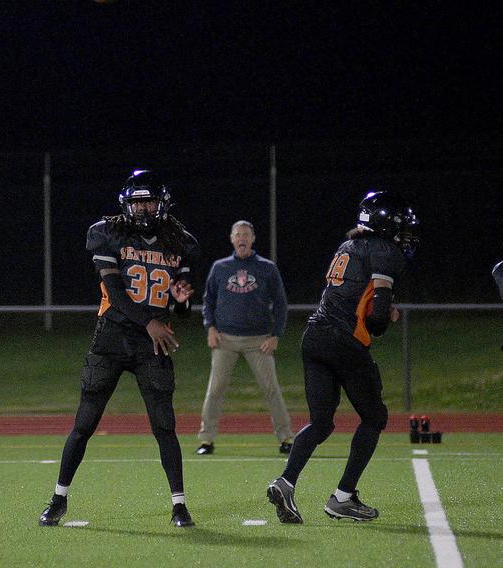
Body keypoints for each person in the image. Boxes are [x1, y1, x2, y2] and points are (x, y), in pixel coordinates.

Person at [37, 170, 201, 528]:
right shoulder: (108, 233)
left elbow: (182, 305)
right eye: (137, 202)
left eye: (149, 201)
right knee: (84, 424)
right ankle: (58, 499)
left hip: (152, 345)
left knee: (164, 426)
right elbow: (115, 294)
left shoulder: (179, 241)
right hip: (112, 338)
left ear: (162, 203)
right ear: (126, 204)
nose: (143, 210)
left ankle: (179, 505)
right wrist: (150, 323)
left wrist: (182, 302)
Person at [267, 190, 418, 524]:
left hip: (314, 336)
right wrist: (385, 317)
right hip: (342, 340)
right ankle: (343, 497)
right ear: (385, 225)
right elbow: (376, 317)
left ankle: (286, 481)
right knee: (375, 416)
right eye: (402, 228)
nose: (405, 236)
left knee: (320, 423)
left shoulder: (347, 246)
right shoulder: (384, 250)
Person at [196, 220, 293, 456]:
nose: (242, 238)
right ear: (231, 238)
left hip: (257, 340)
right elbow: (208, 301)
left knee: (271, 388)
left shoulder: (266, 267)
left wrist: (276, 335)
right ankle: (206, 440)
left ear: (253, 239)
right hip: (225, 339)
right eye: (238, 234)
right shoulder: (220, 267)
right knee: (215, 388)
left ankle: (287, 438)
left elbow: (280, 303)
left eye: (246, 235)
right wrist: (210, 327)